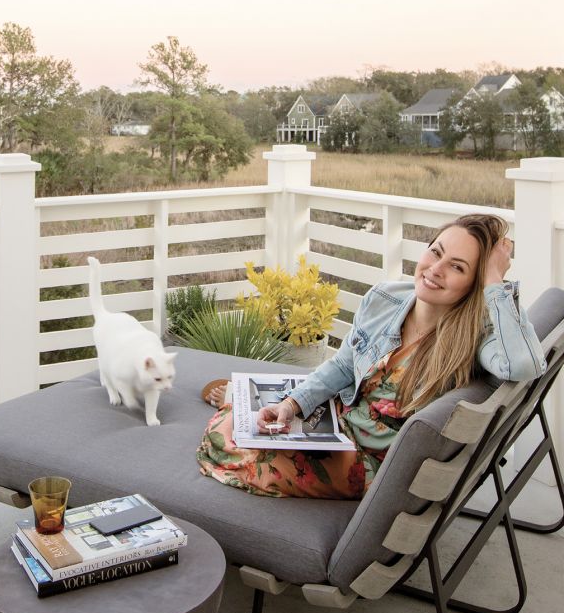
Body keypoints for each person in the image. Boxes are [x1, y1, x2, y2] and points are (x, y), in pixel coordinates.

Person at [197, 214, 546, 500]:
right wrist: (292, 405)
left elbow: (526, 365)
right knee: (238, 425)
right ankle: (251, 400)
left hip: (369, 460)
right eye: (435, 252)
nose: (435, 269)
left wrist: (495, 282)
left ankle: (239, 400)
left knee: (234, 445)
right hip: (339, 421)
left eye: (457, 267)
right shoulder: (386, 298)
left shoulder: (474, 336)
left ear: (475, 283)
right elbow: (344, 364)